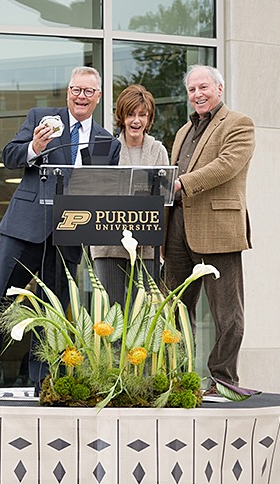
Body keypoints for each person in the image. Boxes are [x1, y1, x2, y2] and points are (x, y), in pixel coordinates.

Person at [0, 66, 121, 395]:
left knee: (53, 307)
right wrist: (35, 148)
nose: (80, 96)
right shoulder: (43, 118)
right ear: (68, 92)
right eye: (75, 90)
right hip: (25, 225)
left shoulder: (107, 142)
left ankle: (43, 377)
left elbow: (104, 188)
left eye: (88, 92)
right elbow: (9, 156)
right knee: (0, 298)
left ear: (97, 97)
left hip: (69, 232)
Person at [163, 64, 255, 389]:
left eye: (203, 87)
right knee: (173, 308)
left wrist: (181, 183)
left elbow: (226, 166)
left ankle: (223, 380)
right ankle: (180, 377)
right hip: (177, 229)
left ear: (219, 89)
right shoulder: (181, 133)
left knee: (227, 315)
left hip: (218, 229)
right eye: (192, 90)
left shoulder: (239, 124)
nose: (198, 94)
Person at [90, 84, 169, 306]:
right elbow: (95, 192)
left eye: (142, 115)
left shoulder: (158, 151)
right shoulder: (105, 148)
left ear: (149, 118)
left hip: (146, 245)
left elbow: (165, 198)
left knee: (143, 311)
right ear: (121, 116)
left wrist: (163, 243)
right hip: (108, 243)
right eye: (131, 114)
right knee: (112, 309)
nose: (136, 121)